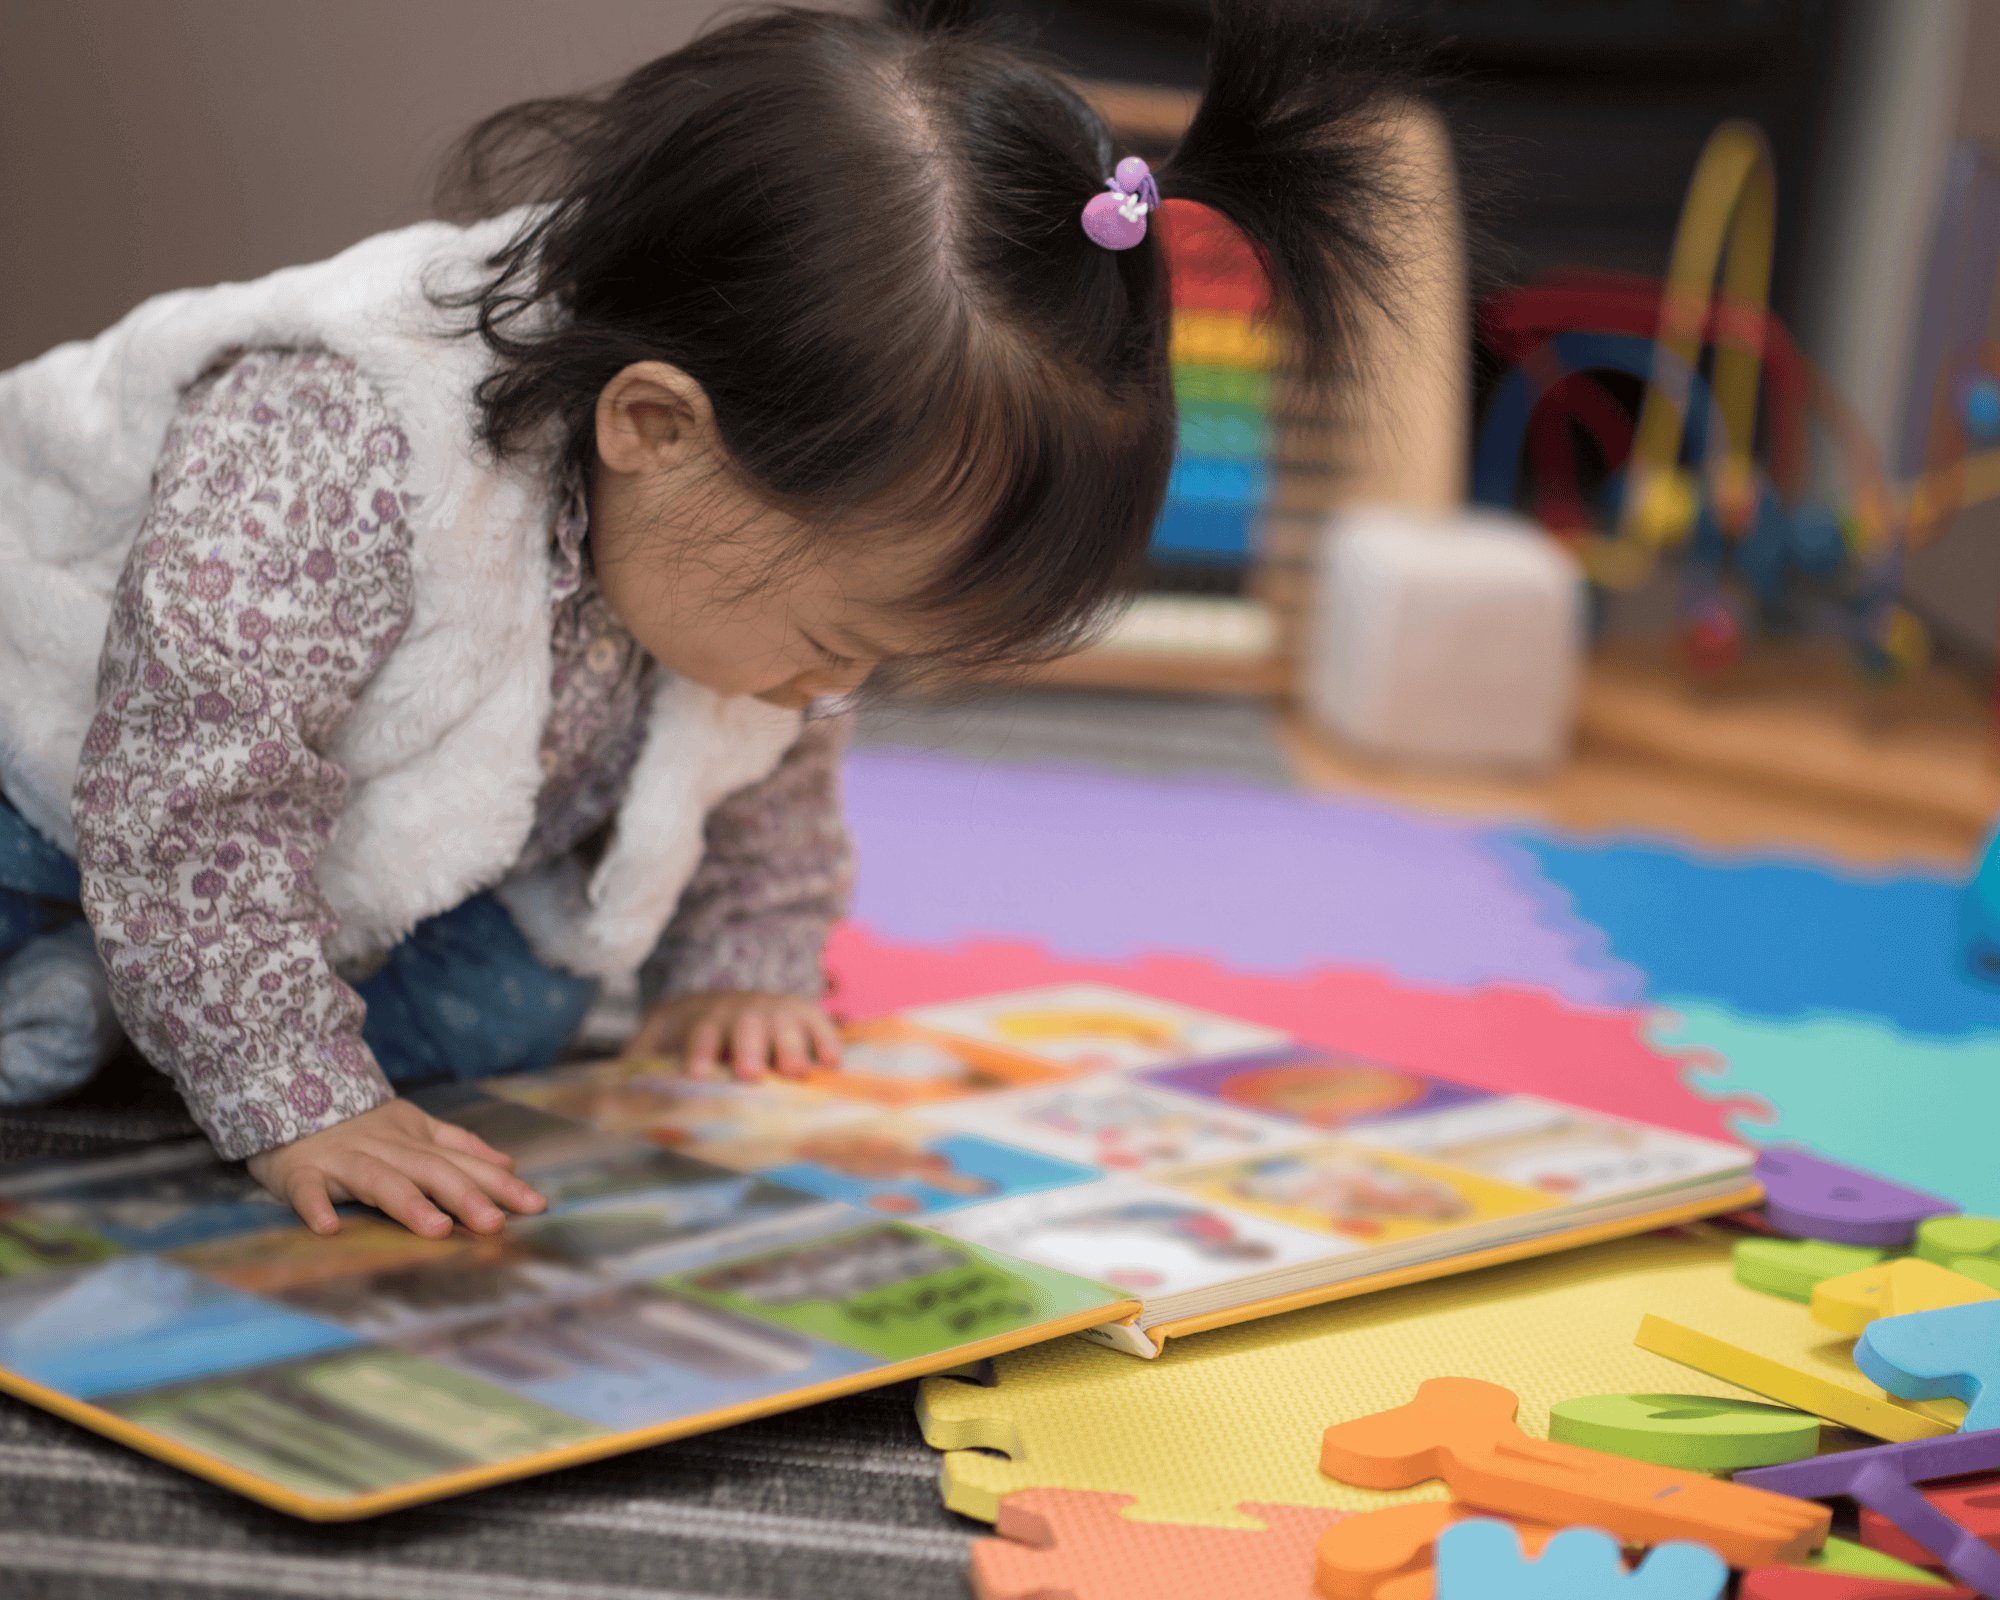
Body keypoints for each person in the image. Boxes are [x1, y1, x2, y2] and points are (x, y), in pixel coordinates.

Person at [0, 1, 1407, 1237]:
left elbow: (762, 760)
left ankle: (140, 997)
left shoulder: (730, 533)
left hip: (344, 838)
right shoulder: (338, 444)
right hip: (70, 770)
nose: (832, 689)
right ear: (655, 426)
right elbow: (189, 790)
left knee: (530, 1014)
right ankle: (140, 987)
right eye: (835, 636)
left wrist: (744, 963)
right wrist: (294, 1098)